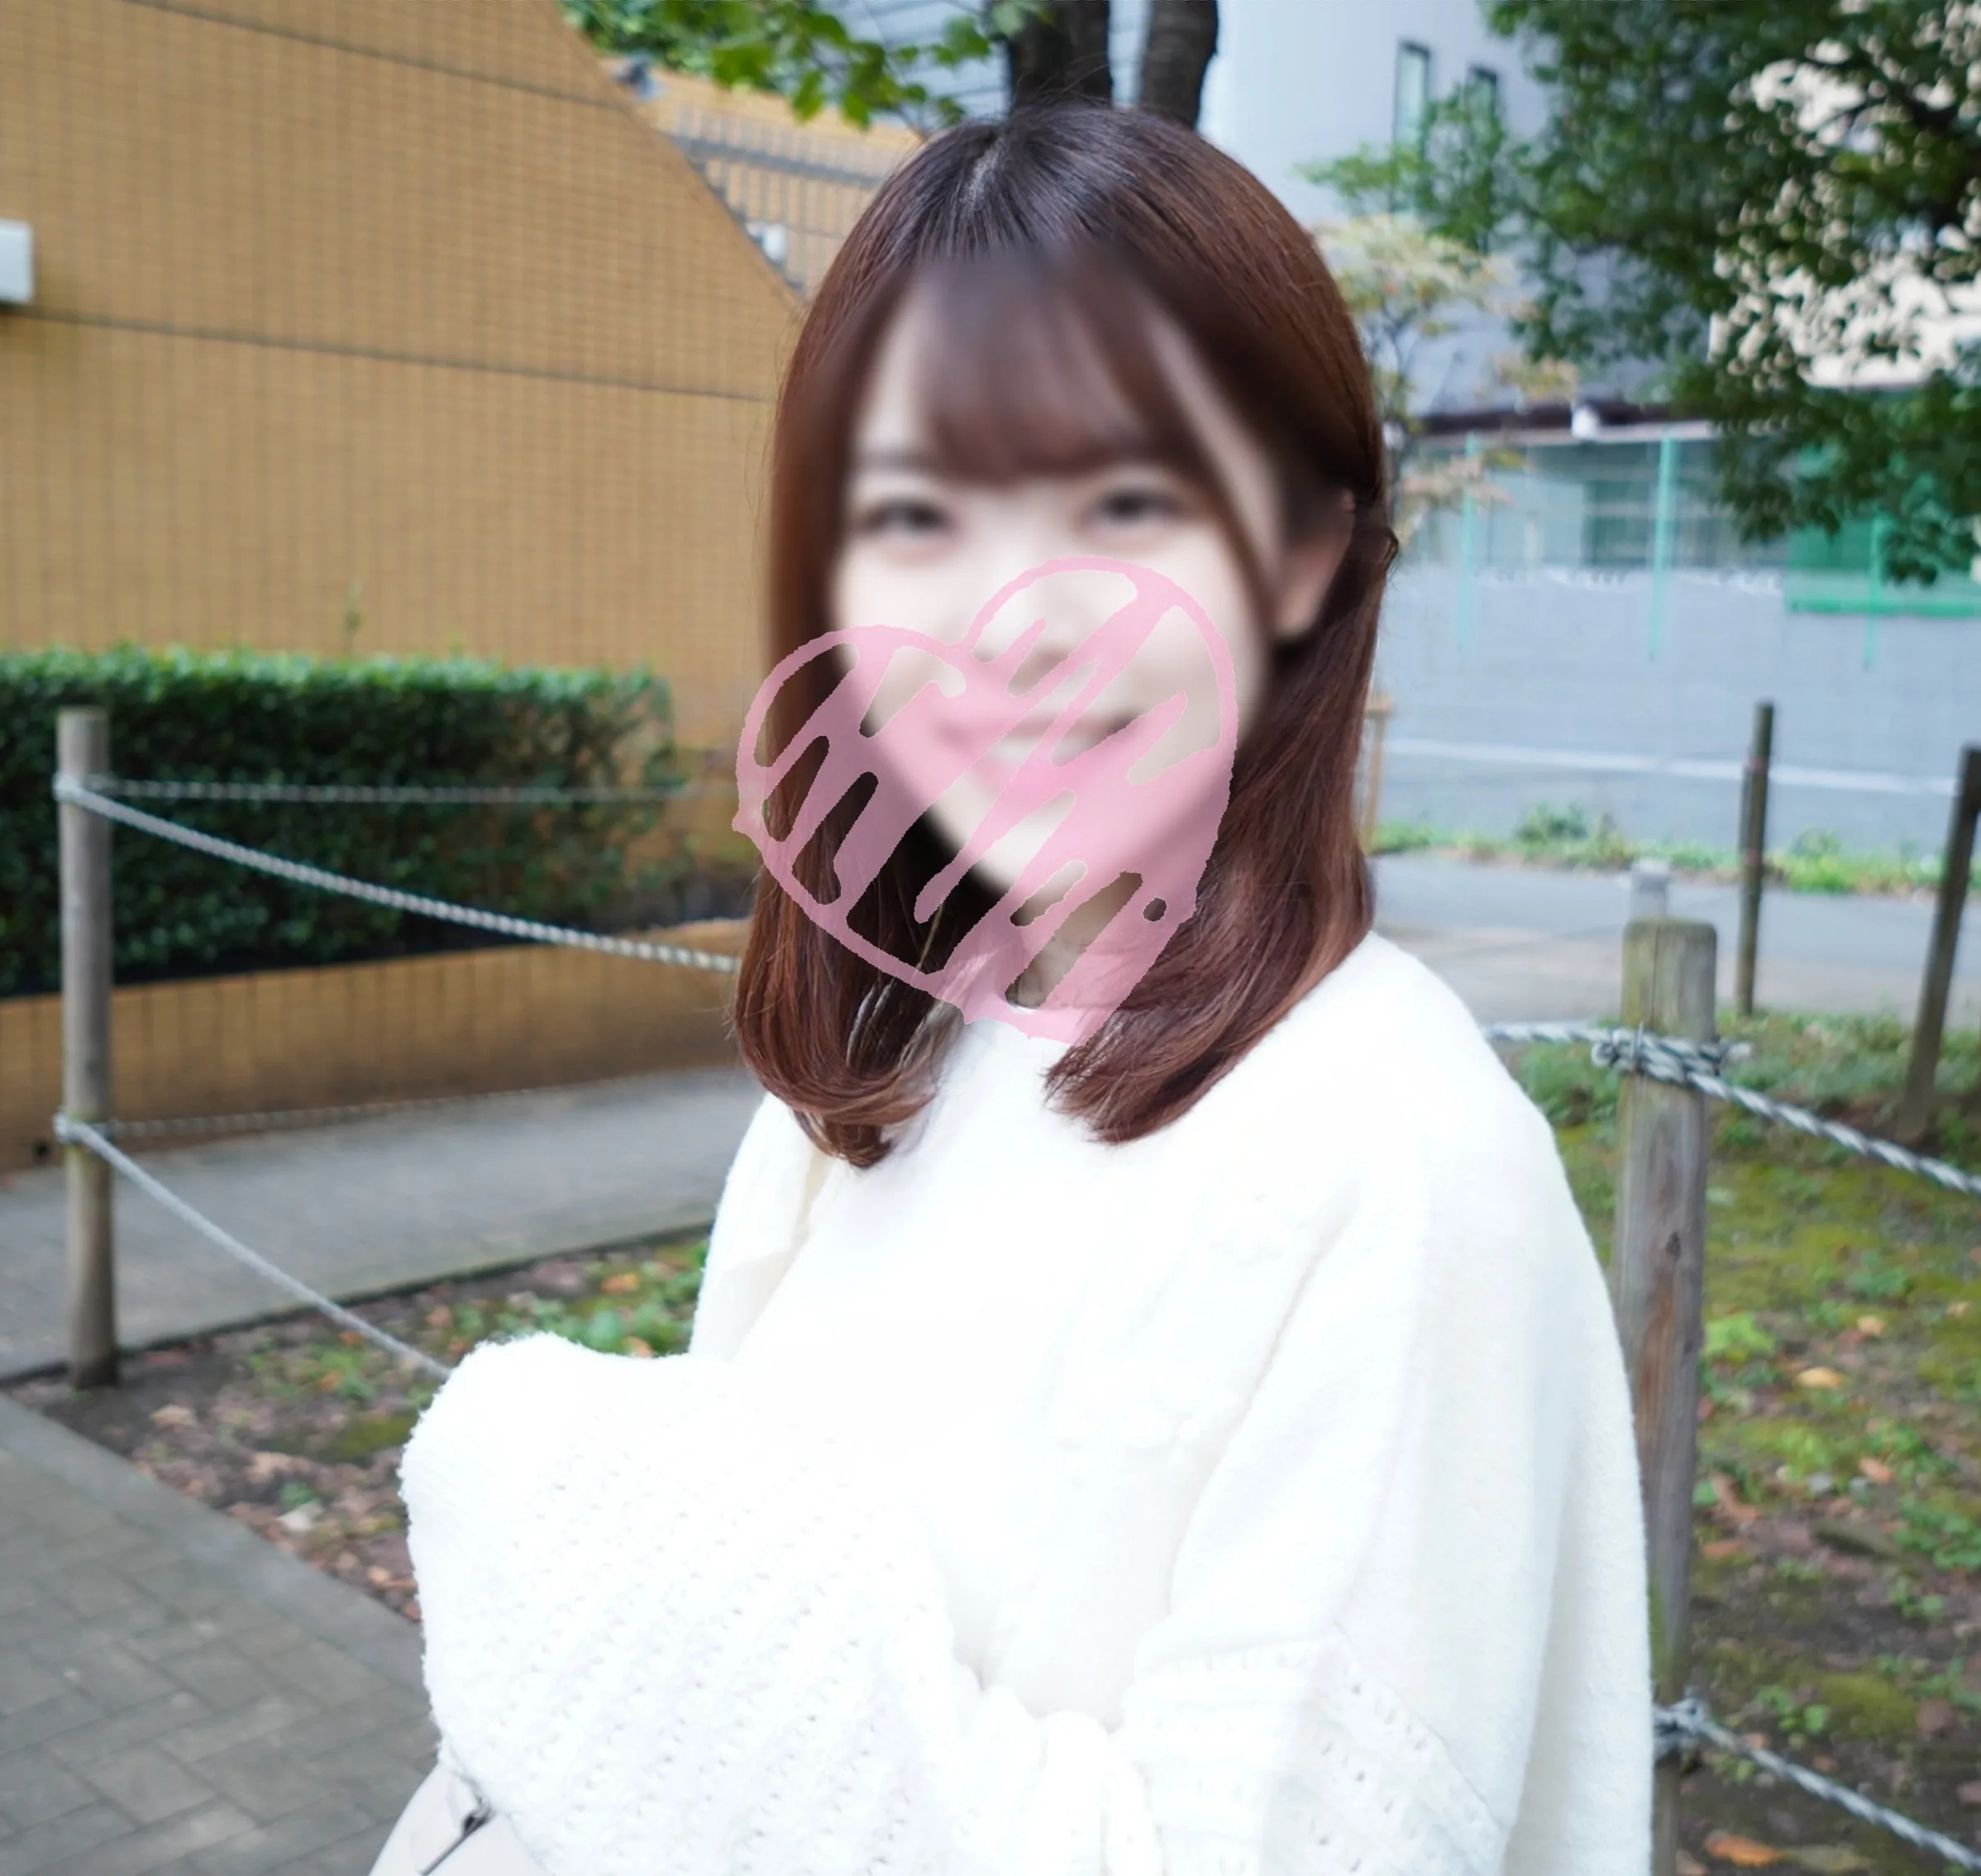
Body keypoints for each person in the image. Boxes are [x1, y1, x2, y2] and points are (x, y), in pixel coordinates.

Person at [375, 105, 1651, 1876]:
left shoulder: (1399, 1171)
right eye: (915, 514)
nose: (1011, 621)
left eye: (1122, 501)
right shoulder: (898, 1060)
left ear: (1303, 550)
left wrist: (564, 1504)